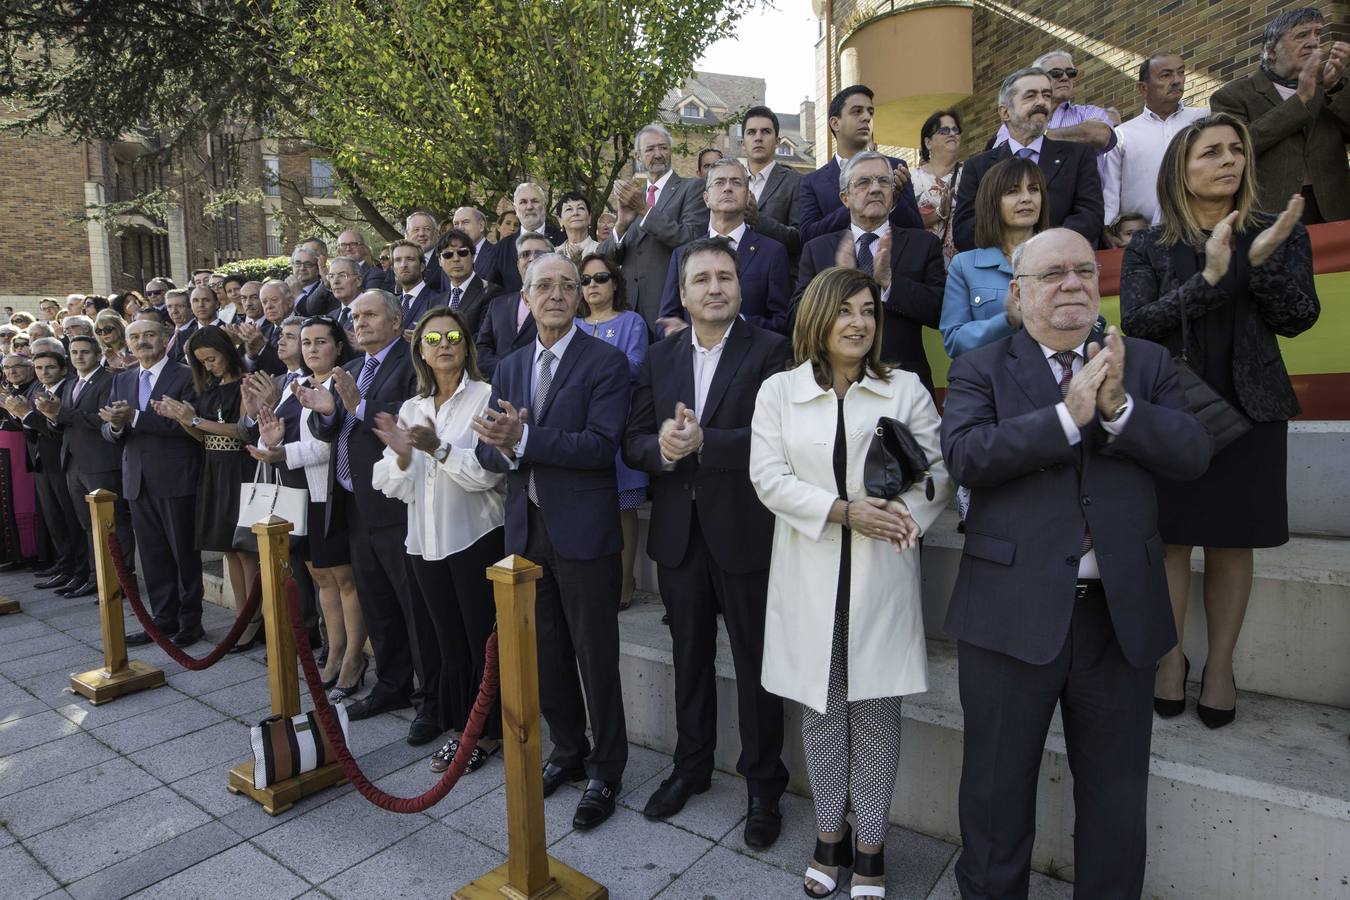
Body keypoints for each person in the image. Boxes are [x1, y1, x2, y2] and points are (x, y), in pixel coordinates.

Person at [941, 228, 1211, 900]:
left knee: (1117, 801)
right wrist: (1067, 416)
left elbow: (1194, 453)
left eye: (1084, 271)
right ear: (1018, 293)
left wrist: (1117, 408)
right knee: (996, 798)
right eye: (1053, 273)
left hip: (1118, 621)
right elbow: (967, 455)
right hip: (1010, 616)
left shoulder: (1143, 362)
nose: (1072, 284)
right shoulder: (983, 367)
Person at [750, 266, 951, 899]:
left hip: (881, 577)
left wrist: (900, 520)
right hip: (810, 576)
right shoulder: (779, 391)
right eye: (845, 311)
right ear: (817, 318)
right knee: (821, 715)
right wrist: (841, 511)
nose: (859, 322)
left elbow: (938, 475)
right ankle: (827, 836)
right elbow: (768, 477)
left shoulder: (906, 389)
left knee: (878, 717)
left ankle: (870, 845)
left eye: (867, 310)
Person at [1120, 113, 1320, 728]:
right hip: (1175, 413)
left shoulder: (1278, 231)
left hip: (1252, 408)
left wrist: (1256, 263)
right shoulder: (1150, 245)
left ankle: (1223, 666)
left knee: (1234, 543)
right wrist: (1211, 278)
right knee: (1173, 541)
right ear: (1182, 167)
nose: (1228, 161)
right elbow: (1140, 324)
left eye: (1236, 150)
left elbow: (1299, 317)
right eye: (1210, 152)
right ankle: (1172, 660)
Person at [625, 237, 792, 848]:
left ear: (741, 287)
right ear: (685, 291)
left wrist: (706, 444)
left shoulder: (773, 351)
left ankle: (763, 787)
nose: (714, 287)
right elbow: (633, 439)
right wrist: (661, 449)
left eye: (725, 276)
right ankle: (690, 766)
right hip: (679, 535)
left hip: (746, 531)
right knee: (688, 658)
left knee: (755, 665)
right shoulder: (659, 356)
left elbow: (780, 437)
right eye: (702, 279)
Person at [471, 252, 631, 831]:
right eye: (546, 286)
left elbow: (599, 446)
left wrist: (526, 437)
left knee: (595, 654)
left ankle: (608, 767)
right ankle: (569, 750)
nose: (558, 294)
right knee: (546, 653)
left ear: (582, 296)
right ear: (527, 296)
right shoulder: (511, 366)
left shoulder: (606, 362)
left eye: (569, 285)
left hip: (584, 532)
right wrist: (503, 442)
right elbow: (494, 449)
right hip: (527, 529)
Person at [299, 290, 442, 747]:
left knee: (413, 604)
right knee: (377, 601)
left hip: (398, 505)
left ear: (397, 320)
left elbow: (400, 424)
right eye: (354, 316)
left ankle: (431, 698)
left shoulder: (412, 362)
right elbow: (334, 426)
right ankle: (392, 684)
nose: (358, 323)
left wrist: (355, 406)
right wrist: (326, 412)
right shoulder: (355, 368)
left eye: (369, 314)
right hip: (354, 503)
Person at [372, 307, 506, 773]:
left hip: (475, 538)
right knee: (448, 644)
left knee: (479, 643)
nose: (444, 344)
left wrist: (438, 449)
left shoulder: (487, 396)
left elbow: (488, 475)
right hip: (424, 542)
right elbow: (393, 484)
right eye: (433, 339)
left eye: (453, 336)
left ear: (467, 345)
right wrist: (405, 458)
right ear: (421, 352)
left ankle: (487, 734)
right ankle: (461, 729)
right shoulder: (413, 407)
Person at [248, 316, 366, 695]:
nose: (312, 349)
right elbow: (273, 434)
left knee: (344, 579)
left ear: (337, 346)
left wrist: (281, 451)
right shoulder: (295, 385)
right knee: (321, 577)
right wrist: (269, 443)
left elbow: (329, 444)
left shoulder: (343, 382)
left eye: (320, 341)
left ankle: (353, 657)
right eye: (307, 342)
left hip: (331, 495)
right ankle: (334, 650)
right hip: (300, 496)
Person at [794, 150, 946, 395]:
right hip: (833, 386)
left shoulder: (922, 244)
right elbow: (797, 317)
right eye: (863, 182)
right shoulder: (818, 249)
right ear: (845, 198)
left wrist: (890, 284)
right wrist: (836, 286)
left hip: (903, 383)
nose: (875, 189)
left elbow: (941, 311)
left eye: (883, 181)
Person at [148, 326, 260, 650]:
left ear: (225, 349)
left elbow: (242, 431)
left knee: (244, 549)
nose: (209, 366)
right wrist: (183, 418)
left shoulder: (245, 382)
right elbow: (204, 437)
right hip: (213, 468)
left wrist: (194, 420)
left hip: (241, 468)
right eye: (202, 362)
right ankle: (242, 615)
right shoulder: (210, 386)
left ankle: (254, 618)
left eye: (211, 358)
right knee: (227, 549)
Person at [99, 319, 205, 648]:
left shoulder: (186, 375)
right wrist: (116, 427)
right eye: (135, 337)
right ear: (127, 344)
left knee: (183, 554)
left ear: (164, 340)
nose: (142, 341)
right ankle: (162, 619)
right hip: (137, 480)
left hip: (176, 479)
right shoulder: (123, 379)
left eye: (148, 335)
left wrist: (135, 417)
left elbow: (190, 429)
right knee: (154, 556)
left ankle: (190, 621)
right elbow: (110, 430)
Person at [1211, 8, 1349, 224]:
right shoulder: (1232, 96)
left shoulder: (1331, 83)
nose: (1313, 42)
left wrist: (1335, 88)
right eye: (1302, 35)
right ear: (1272, 51)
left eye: (1317, 34)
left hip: (1336, 210)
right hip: (1271, 215)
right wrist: (1302, 99)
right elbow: (1241, 145)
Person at [954, 68, 1104, 252]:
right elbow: (965, 231)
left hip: (1060, 265)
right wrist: (1015, 248)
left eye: (1046, 95)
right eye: (1031, 96)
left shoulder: (1079, 156)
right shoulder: (978, 167)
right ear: (1005, 113)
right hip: (999, 269)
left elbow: (1090, 217)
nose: (1042, 102)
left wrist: (1042, 248)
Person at [574, 253, 648, 608]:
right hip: (580, 425)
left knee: (622, 508)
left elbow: (636, 366)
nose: (592, 286)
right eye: (585, 280)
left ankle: (625, 581)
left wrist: (591, 372)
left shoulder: (631, 321)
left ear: (615, 282)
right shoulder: (573, 325)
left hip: (620, 424)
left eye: (600, 278)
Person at [656, 160, 792, 336]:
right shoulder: (682, 254)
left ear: (748, 196)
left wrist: (739, 323)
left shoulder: (772, 252)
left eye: (736, 182)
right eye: (719, 182)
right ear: (706, 198)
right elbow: (665, 322)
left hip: (752, 358)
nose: (728, 188)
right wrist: (686, 334)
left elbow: (784, 323)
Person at [599, 124, 710, 329]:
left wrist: (644, 210)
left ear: (670, 151)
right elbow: (605, 260)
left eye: (663, 148)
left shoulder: (692, 188)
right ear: (638, 156)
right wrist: (621, 225)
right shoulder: (635, 197)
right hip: (628, 311)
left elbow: (691, 240)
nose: (657, 154)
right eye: (650, 149)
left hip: (670, 310)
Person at [50, 334, 134, 594]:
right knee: (88, 525)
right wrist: (51, 417)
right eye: (74, 352)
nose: (79, 356)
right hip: (73, 462)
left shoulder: (110, 380)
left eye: (85, 352)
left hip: (102, 463)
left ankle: (122, 581)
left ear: (98, 355)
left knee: (114, 524)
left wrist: (61, 414)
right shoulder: (71, 383)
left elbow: (103, 421)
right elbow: (64, 422)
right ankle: (96, 577)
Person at [941, 156, 1049, 358]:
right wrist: (1007, 321)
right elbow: (954, 341)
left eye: (1033, 189)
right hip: (991, 382)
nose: (1026, 198)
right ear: (992, 202)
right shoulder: (964, 265)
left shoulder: (1061, 256)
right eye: (1013, 191)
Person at [799, 85, 923, 244]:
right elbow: (808, 237)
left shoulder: (895, 167)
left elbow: (916, 230)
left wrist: (895, 201)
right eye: (857, 111)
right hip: (839, 265)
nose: (866, 117)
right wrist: (857, 203)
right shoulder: (813, 182)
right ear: (835, 123)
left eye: (870, 112)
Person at [1102, 53, 1209, 234]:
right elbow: (1110, 192)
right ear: (1143, 88)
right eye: (1166, 75)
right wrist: (1110, 231)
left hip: (1200, 229)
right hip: (1144, 238)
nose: (1176, 81)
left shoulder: (1204, 120)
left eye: (1180, 73)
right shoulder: (1123, 135)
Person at [14, 349, 87, 595]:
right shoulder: (37, 391)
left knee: (71, 521)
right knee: (55, 521)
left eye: (49, 367)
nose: (43, 372)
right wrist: (19, 413)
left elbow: (58, 431)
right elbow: (31, 428)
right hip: (42, 464)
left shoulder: (67, 390)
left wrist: (26, 414)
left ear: (63, 369)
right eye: (39, 368)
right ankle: (64, 567)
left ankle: (80, 572)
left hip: (62, 463)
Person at [994, 49, 1117, 179]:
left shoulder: (1089, 112)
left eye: (1071, 73)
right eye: (1056, 73)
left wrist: (1039, 137)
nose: (1065, 78)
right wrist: (1078, 133)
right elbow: (1000, 156)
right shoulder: (1016, 118)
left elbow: (1100, 136)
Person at [475, 232, 551, 378]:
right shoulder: (497, 304)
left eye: (539, 253)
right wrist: (504, 369)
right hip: (497, 386)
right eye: (525, 254)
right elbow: (482, 348)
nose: (532, 258)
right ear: (518, 264)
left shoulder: (559, 303)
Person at [742, 105, 802, 259]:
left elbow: (800, 239)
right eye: (751, 132)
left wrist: (758, 220)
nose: (758, 137)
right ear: (743, 143)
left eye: (766, 131)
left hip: (776, 276)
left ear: (777, 142)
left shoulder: (795, 182)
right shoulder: (729, 182)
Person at [0, 354, 41, 570]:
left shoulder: (35, 388)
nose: (12, 372)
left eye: (17, 367)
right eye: (7, 368)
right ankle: (14, 553)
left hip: (26, 456)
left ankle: (30, 553)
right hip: (8, 456)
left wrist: (10, 408)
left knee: (24, 503)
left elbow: (31, 425)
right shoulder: (11, 390)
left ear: (30, 368)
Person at [491, 183, 566, 293]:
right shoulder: (501, 248)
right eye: (523, 202)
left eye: (535, 201)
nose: (529, 207)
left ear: (544, 206)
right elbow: (493, 290)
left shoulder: (564, 240)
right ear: (516, 209)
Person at [911, 109, 964, 253]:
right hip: (924, 258)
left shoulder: (970, 174)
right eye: (944, 130)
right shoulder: (912, 179)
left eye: (955, 130)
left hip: (962, 261)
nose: (952, 134)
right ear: (928, 142)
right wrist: (939, 213)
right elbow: (905, 223)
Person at [435, 228, 501, 336]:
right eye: (448, 255)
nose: (456, 259)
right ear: (439, 261)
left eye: (463, 252)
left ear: (473, 256)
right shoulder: (435, 302)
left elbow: (484, 339)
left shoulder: (492, 293)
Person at [389, 239, 444, 331]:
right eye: (398, 260)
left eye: (410, 259)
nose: (403, 265)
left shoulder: (438, 301)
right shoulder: (391, 304)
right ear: (394, 269)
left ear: (422, 266)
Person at [405, 210, 447, 292]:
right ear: (407, 234)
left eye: (427, 229)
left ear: (436, 233)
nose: (421, 234)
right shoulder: (398, 261)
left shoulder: (447, 257)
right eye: (416, 230)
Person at [453, 207, 498, 281]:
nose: (460, 228)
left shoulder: (498, 254)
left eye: (465, 222)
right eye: (456, 224)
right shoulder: (448, 257)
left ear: (481, 226)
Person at [555, 191, 600, 262]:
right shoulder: (554, 254)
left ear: (589, 218)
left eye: (581, 208)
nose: (575, 213)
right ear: (560, 220)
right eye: (569, 209)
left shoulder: (601, 250)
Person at [326, 256, 365, 333]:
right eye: (331, 276)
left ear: (358, 280)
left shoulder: (371, 310)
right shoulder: (330, 316)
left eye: (342, 275)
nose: (335, 281)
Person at [292, 246, 335, 316]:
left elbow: (309, 313)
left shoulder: (326, 292)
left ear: (318, 268)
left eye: (308, 264)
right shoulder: (284, 289)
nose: (302, 268)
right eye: (298, 263)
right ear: (292, 266)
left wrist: (298, 295)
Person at [163, 289, 195, 363]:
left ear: (191, 308)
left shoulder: (196, 332)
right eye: (169, 307)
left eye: (179, 306)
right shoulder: (171, 333)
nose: (174, 311)